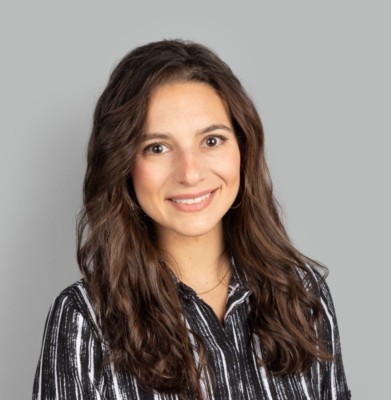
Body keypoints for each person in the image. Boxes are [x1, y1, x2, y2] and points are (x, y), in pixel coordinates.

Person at [32, 39, 351, 400]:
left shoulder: (302, 294)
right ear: (123, 165)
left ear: (243, 149)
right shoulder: (85, 319)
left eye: (212, 141)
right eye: (157, 147)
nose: (190, 173)